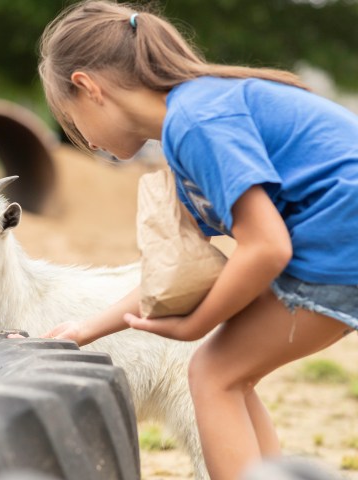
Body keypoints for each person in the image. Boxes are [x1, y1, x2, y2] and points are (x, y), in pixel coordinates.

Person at [37, 1, 358, 479]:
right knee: (229, 374)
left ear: (88, 87)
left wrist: (196, 326)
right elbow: (175, 272)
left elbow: (266, 248)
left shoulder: (196, 123)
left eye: (71, 120)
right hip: (331, 240)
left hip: (337, 240)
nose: (86, 142)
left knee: (213, 375)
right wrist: (86, 329)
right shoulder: (194, 119)